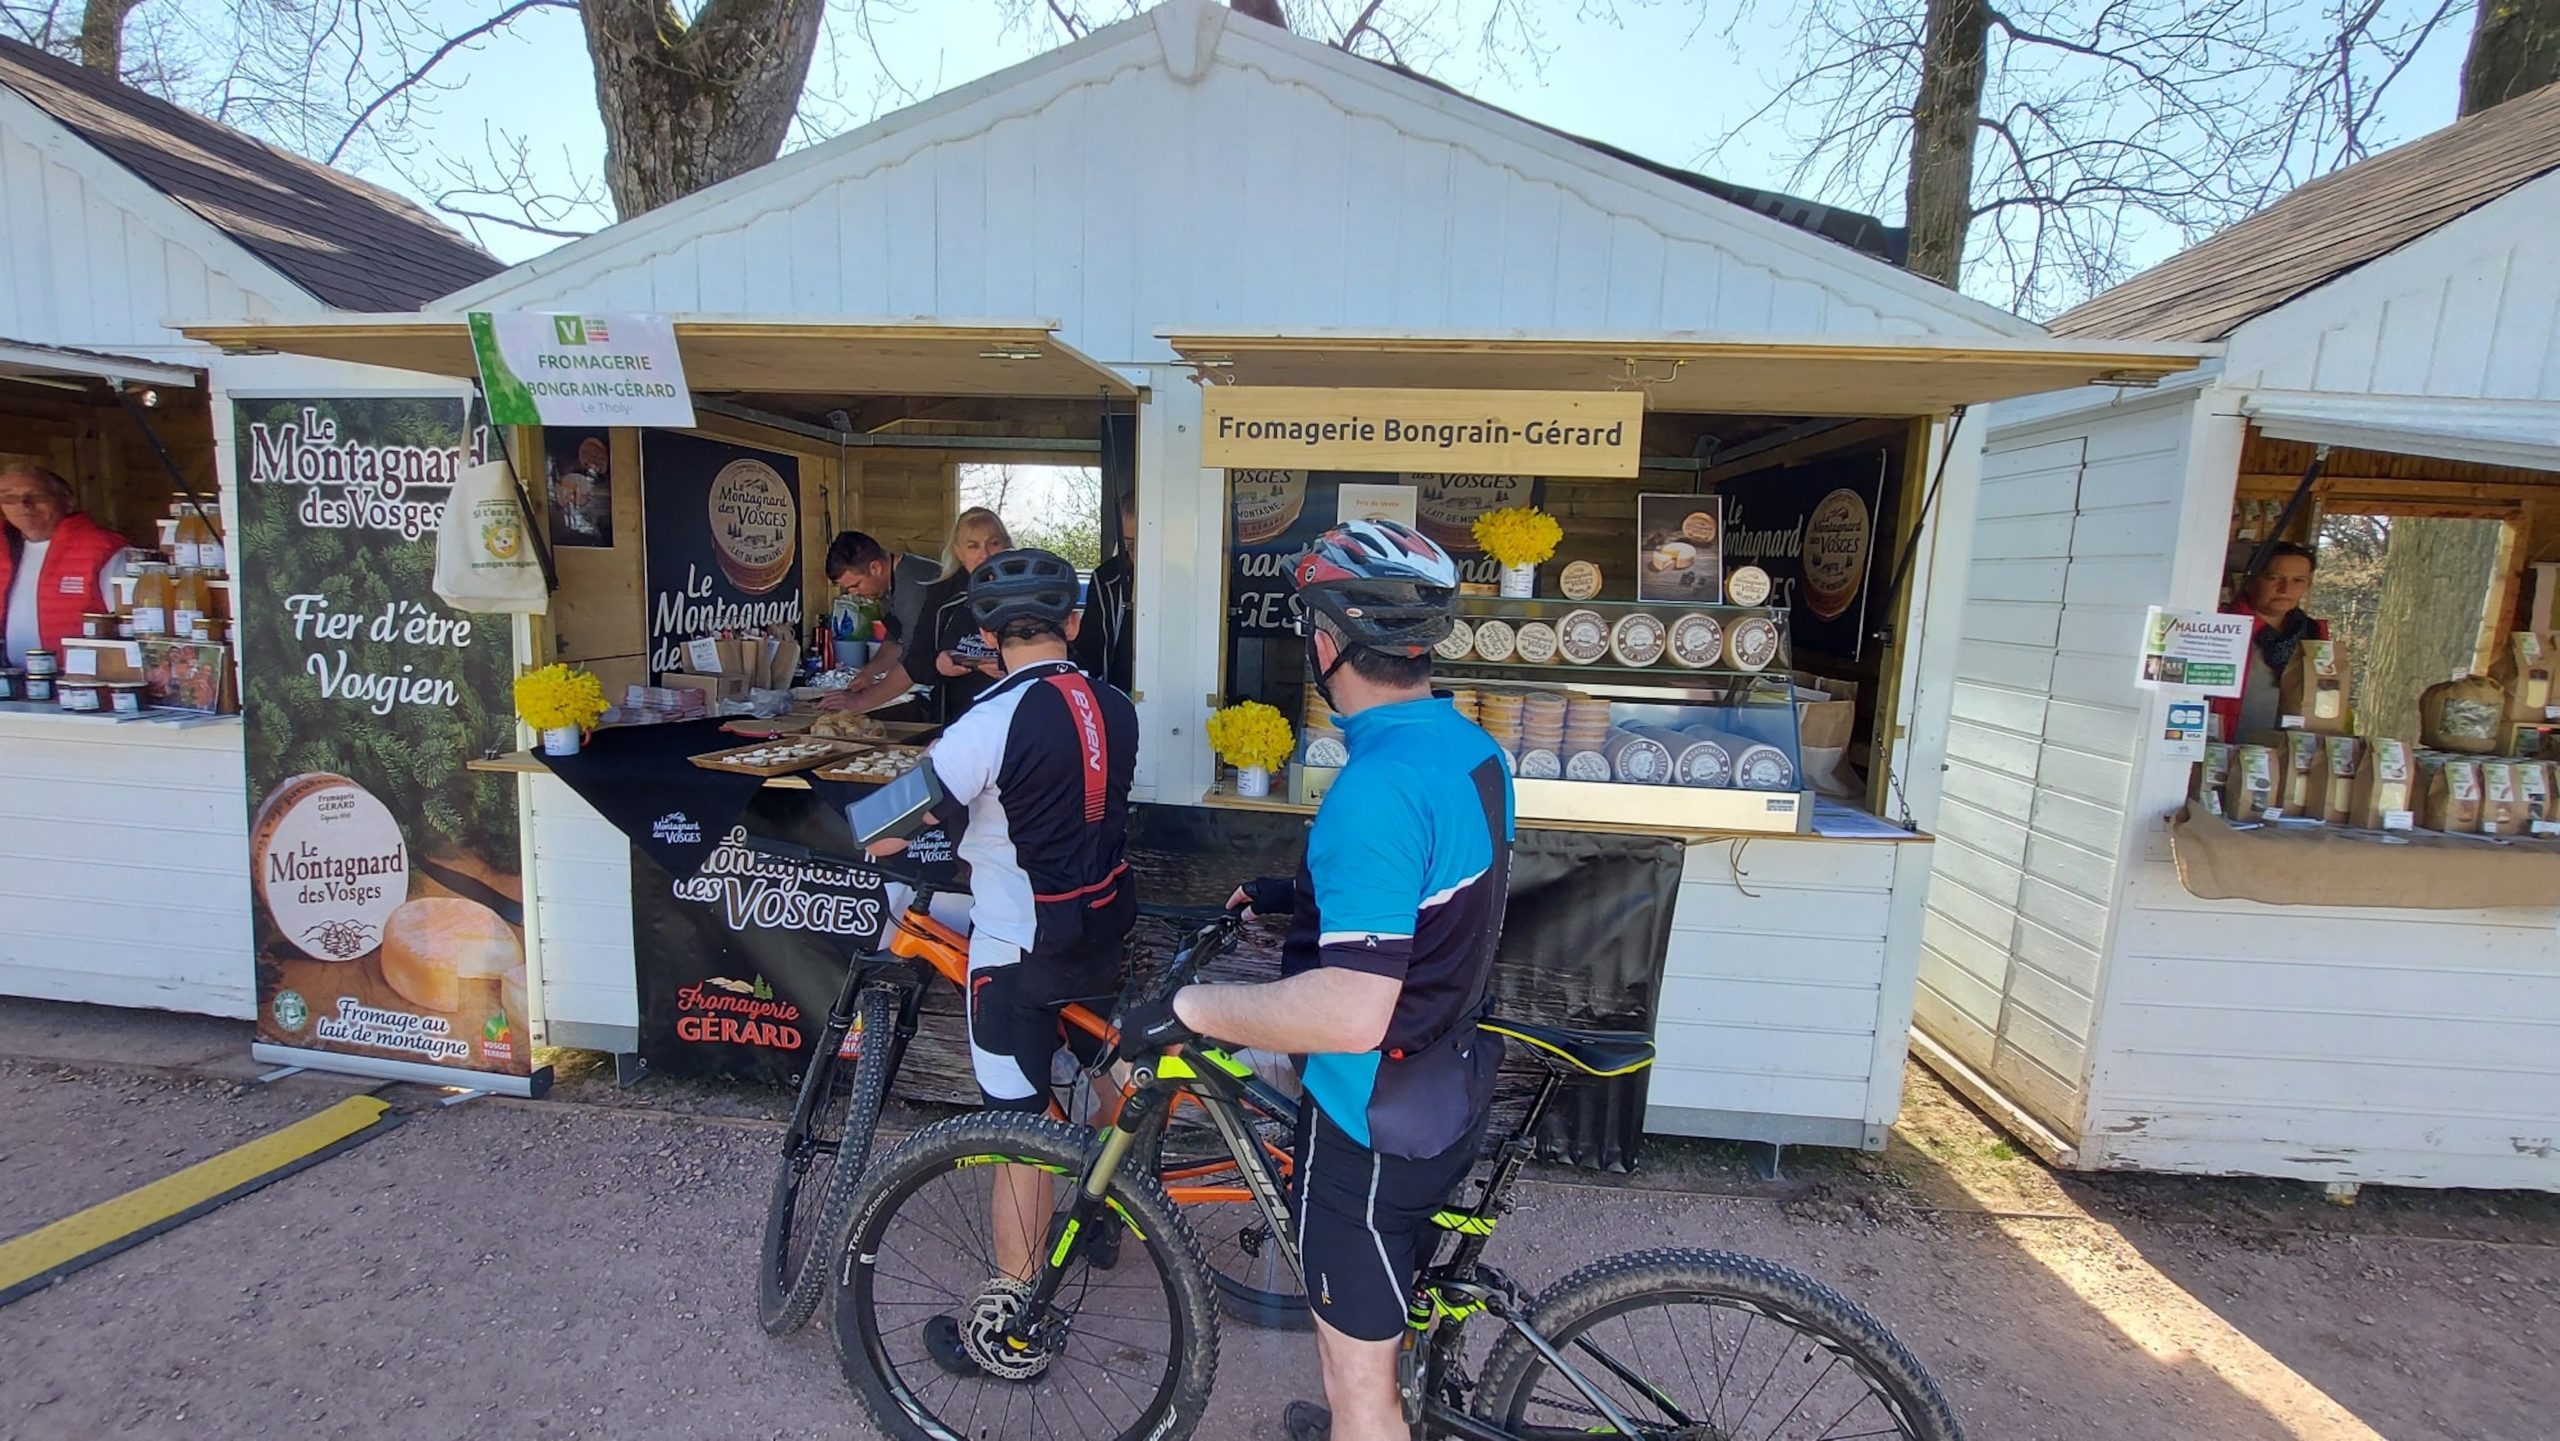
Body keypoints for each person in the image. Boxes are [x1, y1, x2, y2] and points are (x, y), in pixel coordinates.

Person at [1116, 519, 1512, 1441]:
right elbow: (1436, 889)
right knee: (1388, 1307)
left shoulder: (1372, 788)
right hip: (1450, 1078)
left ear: (1327, 641)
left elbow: (1347, 1010)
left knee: (1357, 1389)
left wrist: (1188, 1008)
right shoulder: (1467, 749)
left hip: (1374, 1117)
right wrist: (1301, 894)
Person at [863, 547, 1140, 1375]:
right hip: (1101, 932)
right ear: (1074, 624)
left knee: (1018, 1136)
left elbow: (882, 831)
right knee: (1105, 1064)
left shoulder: (985, 722)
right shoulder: (1115, 703)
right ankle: (1107, 1210)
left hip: (1016, 947)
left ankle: (1010, 1325)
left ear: (986, 632)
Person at [1, 464, 135, 665]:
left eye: (37, 496)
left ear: (68, 501)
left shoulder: (102, 549)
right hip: (13, 683)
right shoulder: (4, 548)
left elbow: (132, 624)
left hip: (82, 684)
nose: (23, 505)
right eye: (9, 498)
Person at [2215, 540, 2327, 740]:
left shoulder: (2313, 634)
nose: (2285, 589)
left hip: (2288, 754)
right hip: (2220, 749)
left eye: (2298, 580)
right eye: (2274, 578)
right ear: (2249, 581)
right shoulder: (2218, 627)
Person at [819, 530, 940, 715]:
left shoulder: (914, 588)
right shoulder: (885, 587)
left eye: (856, 585)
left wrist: (860, 702)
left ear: (875, 568)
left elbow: (915, 663)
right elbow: (894, 641)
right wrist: (869, 672)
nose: (853, 593)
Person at [911, 507, 1014, 719]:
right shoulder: (943, 595)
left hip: (1014, 713)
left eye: (993, 544)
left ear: (1007, 546)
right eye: (973, 546)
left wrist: (1011, 663)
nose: (984, 555)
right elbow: (915, 662)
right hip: (957, 716)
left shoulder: (1028, 591)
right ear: (959, 552)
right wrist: (938, 663)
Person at [1071, 487, 1136, 691]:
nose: (1136, 553)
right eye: (1129, 544)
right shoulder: (1107, 577)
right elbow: (1090, 650)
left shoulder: (1186, 580)